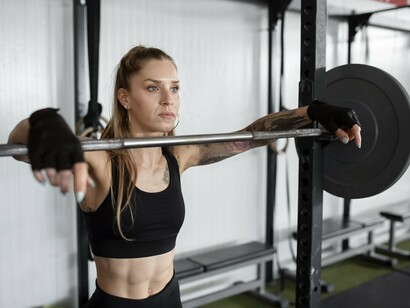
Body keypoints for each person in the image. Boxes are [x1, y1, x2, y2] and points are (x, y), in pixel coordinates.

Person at [8, 45, 361, 308]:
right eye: (152, 88)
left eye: (174, 88)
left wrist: (312, 113)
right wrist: (41, 123)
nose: (168, 100)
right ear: (124, 98)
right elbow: (20, 147)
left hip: (170, 298)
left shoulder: (178, 155)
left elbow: (251, 136)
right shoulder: (102, 161)